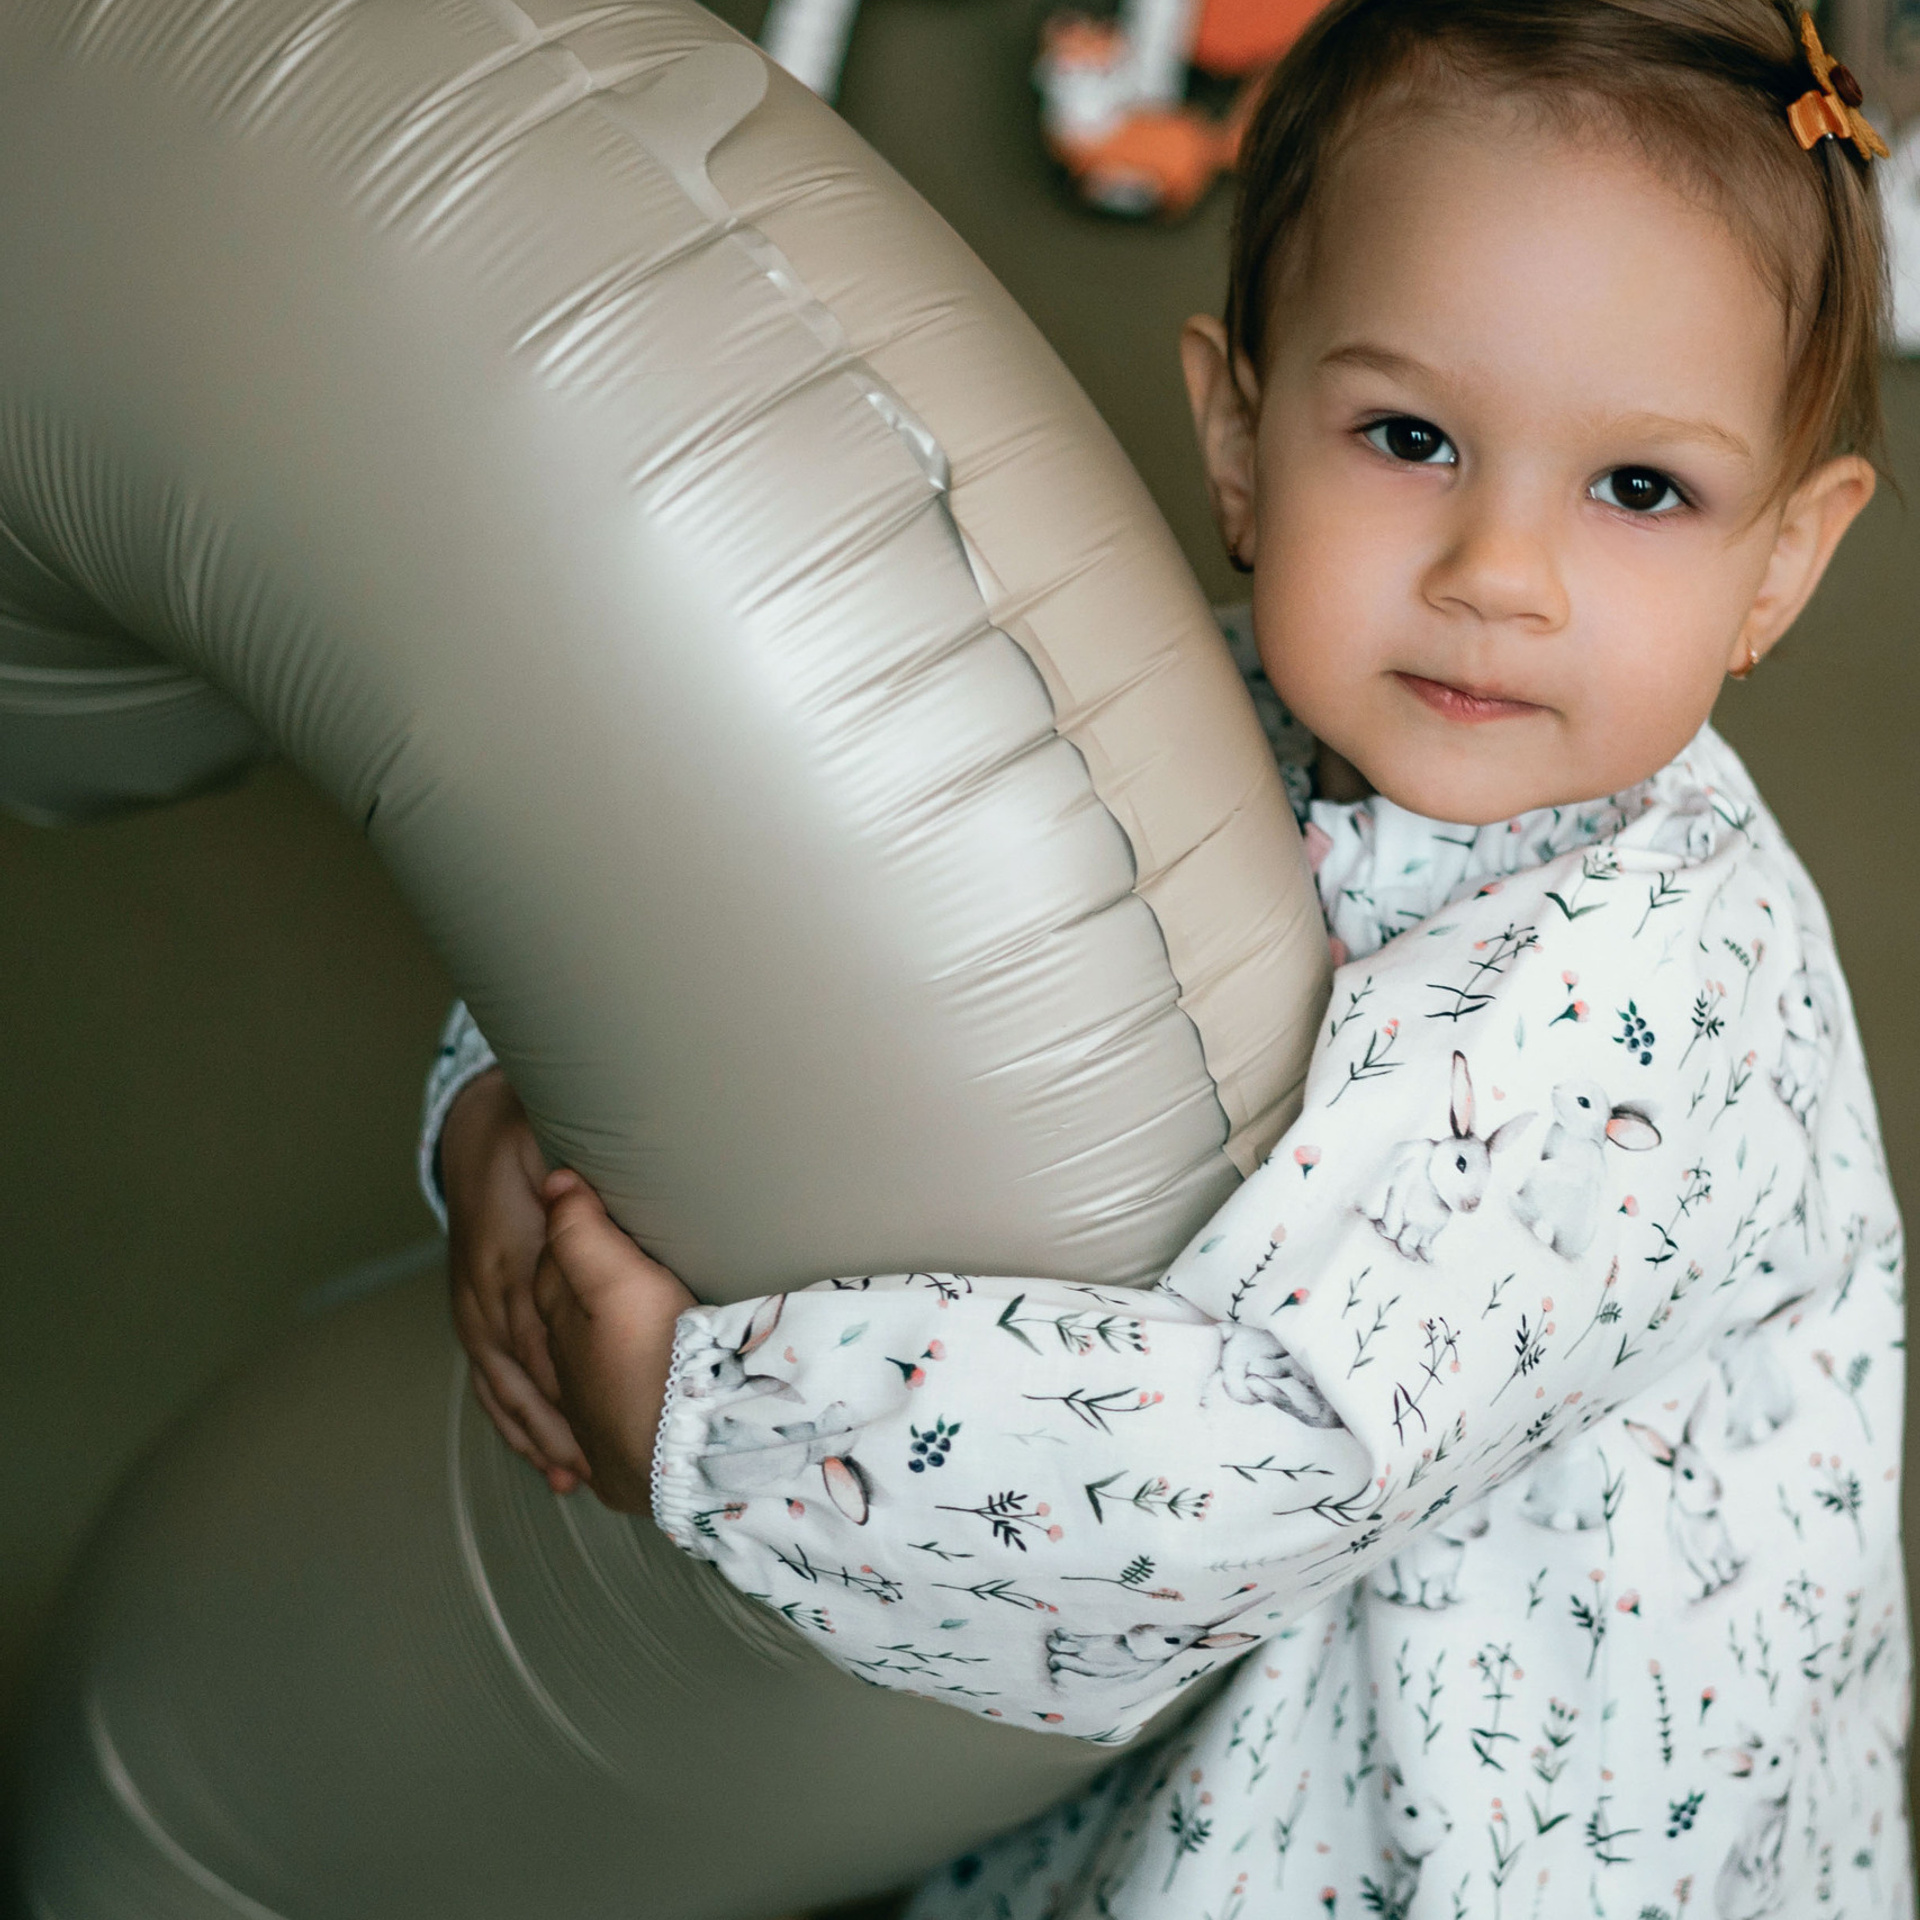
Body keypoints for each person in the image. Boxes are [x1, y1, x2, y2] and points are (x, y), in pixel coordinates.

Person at [425, 0, 1909, 1910]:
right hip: (1163, 1721)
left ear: (1781, 562)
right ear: (1238, 438)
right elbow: (764, 893)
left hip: (1482, 1829)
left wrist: (707, 1424)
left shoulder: (1665, 988)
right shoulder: (1145, 714)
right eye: (1410, 438)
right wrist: (504, 1103)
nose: (1498, 571)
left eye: (1640, 489)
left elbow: (1263, 1453)